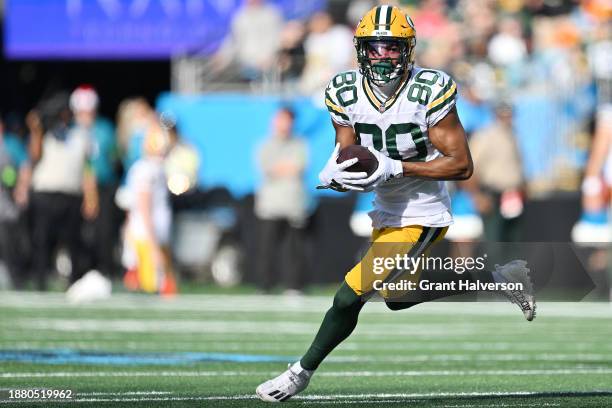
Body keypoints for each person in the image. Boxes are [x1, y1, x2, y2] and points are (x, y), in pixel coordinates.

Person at [256, 5, 536, 402]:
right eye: (375, 47)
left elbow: (461, 165)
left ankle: (299, 373)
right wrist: (336, 172)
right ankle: (496, 278)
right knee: (398, 297)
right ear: (361, 50)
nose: (383, 55)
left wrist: (395, 166)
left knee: (349, 293)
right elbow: (348, 149)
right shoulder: (344, 90)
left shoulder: (429, 89)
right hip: (385, 207)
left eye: (392, 47)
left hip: (423, 210)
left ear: (408, 49)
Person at [254, 107, 308, 292]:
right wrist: (286, 168)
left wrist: (282, 168)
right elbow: (268, 167)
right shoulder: (265, 145)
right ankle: (265, 285)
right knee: (267, 249)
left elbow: (298, 167)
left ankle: (294, 286)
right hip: (270, 205)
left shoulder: (299, 144)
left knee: (293, 250)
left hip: (293, 205)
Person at [122, 123, 176, 296]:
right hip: (147, 235)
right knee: (152, 286)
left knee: (164, 288)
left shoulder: (157, 167)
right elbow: (143, 208)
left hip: (154, 233)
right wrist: (153, 246)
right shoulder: (146, 169)